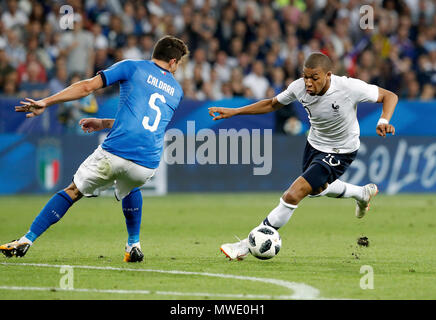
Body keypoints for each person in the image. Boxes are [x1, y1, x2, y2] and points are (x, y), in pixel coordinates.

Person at [0, 36, 189, 263]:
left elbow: (87, 87)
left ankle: (26, 240)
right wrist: (104, 123)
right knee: (130, 187)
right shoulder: (176, 92)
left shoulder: (132, 67)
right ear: (172, 62)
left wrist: (46, 102)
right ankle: (133, 245)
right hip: (146, 163)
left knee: (73, 191)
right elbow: (146, 122)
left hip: (116, 152)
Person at [208, 52, 398, 261]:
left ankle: (245, 244)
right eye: (305, 76)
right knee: (317, 190)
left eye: (314, 77)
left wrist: (383, 121)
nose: (308, 82)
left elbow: (390, 96)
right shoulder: (299, 86)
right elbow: (272, 104)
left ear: (328, 75)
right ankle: (361, 193)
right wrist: (234, 112)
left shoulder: (348, 87)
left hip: (341, 151)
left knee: (293, 194)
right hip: (314, 145)